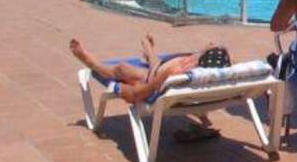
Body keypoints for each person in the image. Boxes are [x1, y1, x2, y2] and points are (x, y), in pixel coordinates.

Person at [69, 36, 232, 115]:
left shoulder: (177, 72)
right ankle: (149, 52)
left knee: (121, 69)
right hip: (179, 84)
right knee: (156, 65)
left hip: (154, 80)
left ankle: (93, 64)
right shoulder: (223, 74)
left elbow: (148, 88)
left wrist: (130, 92)